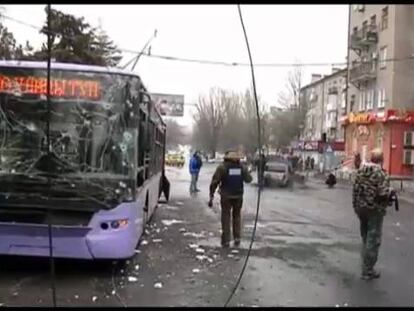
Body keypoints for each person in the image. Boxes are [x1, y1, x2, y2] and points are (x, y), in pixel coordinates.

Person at [352, 148, 391, 280]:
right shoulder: (381, 174)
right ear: (381, 160)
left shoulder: (362, 170)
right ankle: (368, 270)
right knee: (373, 240)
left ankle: (364, 263)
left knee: (365, 236)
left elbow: (355, 187)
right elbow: (383, 194)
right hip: (374, 210)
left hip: (360, 208)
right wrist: (390, 193)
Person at [208, 150, 253, 248]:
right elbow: (249, 180)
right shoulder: (241, 167)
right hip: (238, 196)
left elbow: (214, 182)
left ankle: (226, 240)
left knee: (226, 217)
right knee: (237, 217)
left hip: (226, 196)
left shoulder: (222, 167)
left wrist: (211, 195)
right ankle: (237, 238)